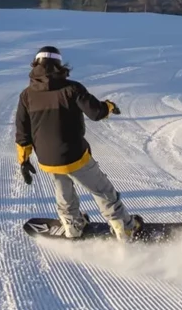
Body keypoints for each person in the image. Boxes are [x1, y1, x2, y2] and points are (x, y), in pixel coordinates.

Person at [15, 45, 144, 240]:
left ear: (36, 65)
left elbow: (22, 130)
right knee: (102, 190)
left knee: (63, 188)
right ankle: (124, 226)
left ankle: (72, 225)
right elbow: (96, 112)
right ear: (59, 66)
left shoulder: (27, 95)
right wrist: (109, 106)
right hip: (74, 154)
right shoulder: (72, 89)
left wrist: (23, 160)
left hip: (47, 158)